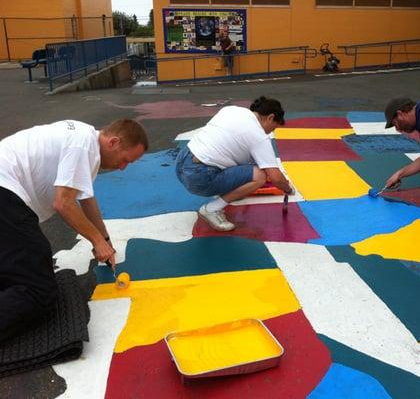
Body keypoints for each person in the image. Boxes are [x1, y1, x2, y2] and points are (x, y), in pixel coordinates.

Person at [0, 119, 148, 342]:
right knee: (38, 291)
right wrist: (97, 241)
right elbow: (64, 203)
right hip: (5, 192)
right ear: (114, 142)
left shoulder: (85, 141)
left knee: (16, 268)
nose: (122, 167)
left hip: (7, 191)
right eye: (125, 160)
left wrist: (104, 239)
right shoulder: (83, 145)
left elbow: (86, 200)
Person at [176, 96, 293, 231]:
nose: (271, 132)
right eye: (273, 128)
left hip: (182, 162)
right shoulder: (259, 135)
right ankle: (211, 209)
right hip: (199, 177)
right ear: (270, 118)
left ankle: (229, 193)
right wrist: (288, 189)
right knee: (260, 175)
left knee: (241, 158)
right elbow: (275, 178)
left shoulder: (231, 110)